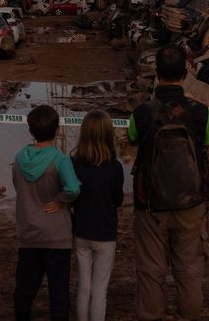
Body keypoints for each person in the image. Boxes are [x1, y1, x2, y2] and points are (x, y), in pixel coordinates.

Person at [128, 45, 209, 321]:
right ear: (186, 73)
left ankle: (152, 314)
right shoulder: (202, 112)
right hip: (192, 203)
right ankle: (189, 314)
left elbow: (131, 140)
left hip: (150, 205)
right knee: (189, 268)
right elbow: (208, 143)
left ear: (157, 74)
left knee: (151, 269)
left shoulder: (141, 113)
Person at [13, 104, 82, 321]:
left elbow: (17, 186)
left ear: (31, 130)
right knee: (58, 291)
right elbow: (73, 189)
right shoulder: (60, 159)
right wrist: (60, 200)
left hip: (28, 233)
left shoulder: (19, 159)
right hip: (56, 235)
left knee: (25, 289)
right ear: (57, 130)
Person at [71, 110, 125, 321]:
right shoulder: (115, 168)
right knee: (99, 289)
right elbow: (118, 200)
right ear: (109, 134)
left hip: (82, 231)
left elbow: (72, 197)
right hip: (105, 233)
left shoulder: (74, 165)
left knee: (84, 285)